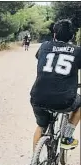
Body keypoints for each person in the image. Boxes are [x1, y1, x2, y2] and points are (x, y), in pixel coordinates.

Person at [30, 19, 81, 152]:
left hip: (37, 98)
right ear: (72, 36)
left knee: (41, 126)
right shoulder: (77, 51)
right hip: (64, 101)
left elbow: (40, 58)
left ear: (54, 34)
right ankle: (67, 138)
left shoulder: (44, 46)